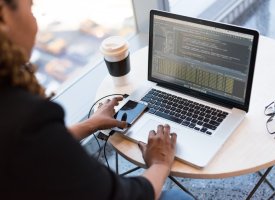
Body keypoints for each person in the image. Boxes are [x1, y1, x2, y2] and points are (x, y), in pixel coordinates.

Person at [0, 0, 193, 199]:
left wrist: (90, 124)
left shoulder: (19, 121)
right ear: (5, 17)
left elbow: (34, 146)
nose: (34, 20)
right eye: (31, 8)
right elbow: (124, 196)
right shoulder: (27, 117)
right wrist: (160, 164)